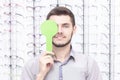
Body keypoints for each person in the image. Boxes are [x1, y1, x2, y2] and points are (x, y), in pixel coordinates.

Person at [21, 6, 102, 80]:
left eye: (65, 26)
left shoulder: (89, 65)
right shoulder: (31, 66)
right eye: (54, 26)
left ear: (74, 30)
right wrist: (41, 75)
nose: (59, 31)